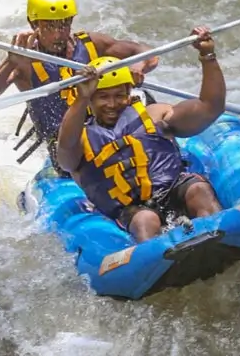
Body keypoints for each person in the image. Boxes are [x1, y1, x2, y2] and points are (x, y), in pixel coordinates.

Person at [56, 26, 226, 242]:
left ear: (130, 92)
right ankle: (162, 262)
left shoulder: (155, 115)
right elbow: (65, 151)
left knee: (199, 190)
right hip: (130, 210)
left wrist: (207, 55)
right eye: (102, 97)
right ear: (90, 100)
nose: (112, 104)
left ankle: (221, 238)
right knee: (145, 220)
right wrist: (81, 97)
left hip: (173, 189)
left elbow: (211, 107)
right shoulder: (79, 139)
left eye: (119, 95)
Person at [0, 0, 158, 172]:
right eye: (49, 26)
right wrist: (10, 63)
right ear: (33, 24)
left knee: (143, 97)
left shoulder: (91, 44)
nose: (58, 34)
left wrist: (138, 66)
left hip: (104, 125)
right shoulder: (24, 61)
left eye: (64, 24)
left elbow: (146, 53)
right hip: (65, 145)